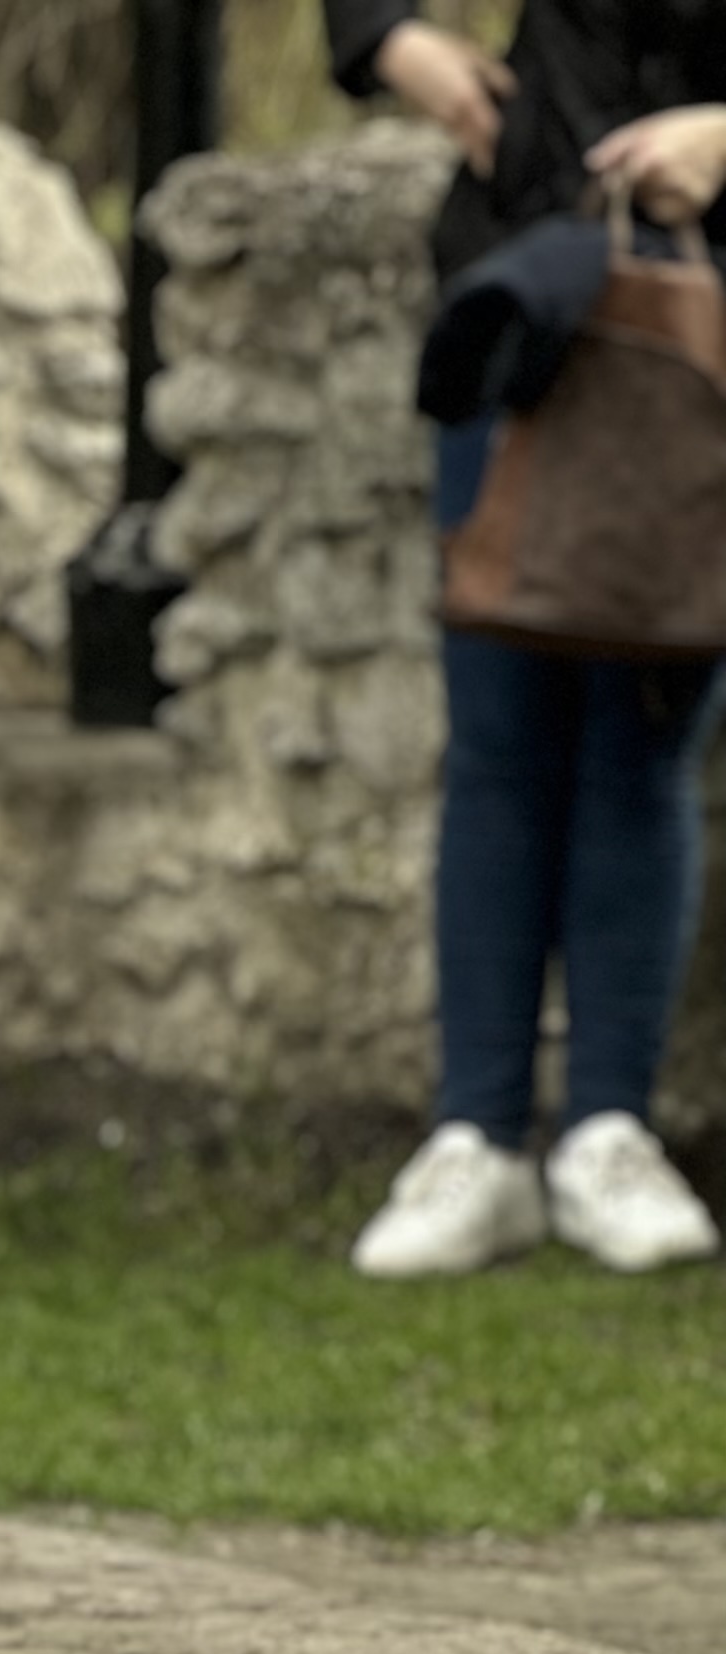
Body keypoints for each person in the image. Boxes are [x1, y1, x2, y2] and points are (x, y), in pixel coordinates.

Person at [337, 5, 726, 1277]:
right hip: (524, 305)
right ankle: (479, 1142)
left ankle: (611, 1133)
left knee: (644, 746)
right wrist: (391, 39)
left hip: (707, 337)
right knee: (498, 743)